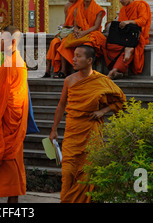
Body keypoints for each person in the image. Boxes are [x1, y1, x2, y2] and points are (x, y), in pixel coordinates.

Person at [49, 45, 126, 203]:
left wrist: (102, 111)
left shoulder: (102, 81)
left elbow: (120, 100)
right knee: (68, 173)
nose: (74, 59)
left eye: (78, 56)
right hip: (72, 131)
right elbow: (62, 104)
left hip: (91, 132)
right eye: (74, 56)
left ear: (89, 60)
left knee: (89, 173)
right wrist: (54, 129)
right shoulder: (69, 80)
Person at [0, 25, 29, 203]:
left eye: (1, 39)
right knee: (10, 162)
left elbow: (11, 96)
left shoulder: (15, 63)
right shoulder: (10, 61)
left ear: (12, 42)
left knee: (11, 161)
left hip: (10, 120)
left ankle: (13, 203)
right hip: (7, 117)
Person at [101, 0, 152, 79]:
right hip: (124, 36)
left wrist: (129, 21)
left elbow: (143, 21)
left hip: (137, 35)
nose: (120, 0)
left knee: (129, 47)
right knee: (105, 44)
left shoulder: (140, 5)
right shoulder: (123, 9)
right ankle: (114, 68)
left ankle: (115, 70)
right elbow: (121, 24)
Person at [56, 0, 106, 78]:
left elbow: (96, 27)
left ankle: (84, 72)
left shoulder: (98, 9)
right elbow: (76, 25)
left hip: (92, 34)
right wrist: (76, 30)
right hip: (80, 33)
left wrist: (83, 33)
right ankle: (63, 70)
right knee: (64, 43)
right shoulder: (77, 9)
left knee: (85, 47)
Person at [43, 0, 82, 78]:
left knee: (64, 43)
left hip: (76, 31)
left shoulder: (82, 4)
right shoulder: (68, 6)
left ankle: (63, 70)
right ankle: (48, 70)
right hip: (67, 30)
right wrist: (62, 26)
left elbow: (82, 21)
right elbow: (67, 21)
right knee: (54, 42)